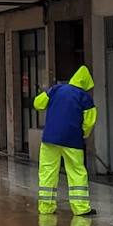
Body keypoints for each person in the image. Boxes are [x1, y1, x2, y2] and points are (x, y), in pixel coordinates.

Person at [33, 65, 98, 216]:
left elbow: (37, 103)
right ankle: (81, 208)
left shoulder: (56, 90)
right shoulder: (85, 98)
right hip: (72, 140)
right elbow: (89, 122)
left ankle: (46, 207)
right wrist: (84, 135)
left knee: (47, 172)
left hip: (50, 138)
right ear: (86, 83)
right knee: (76, 172)